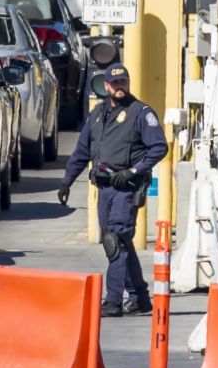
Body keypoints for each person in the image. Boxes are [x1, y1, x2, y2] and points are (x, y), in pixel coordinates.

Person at [58, 64, 168, 317]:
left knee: (115, 240)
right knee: (121, 243)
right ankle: (139, 297)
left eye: (124, 82)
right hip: (104, 188)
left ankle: (114, 300)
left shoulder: (140, 112)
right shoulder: (97, 115)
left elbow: (159, 148)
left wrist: (132, 171)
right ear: (106, 86)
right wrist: (66, 182)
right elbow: (81, 151)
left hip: (126, 188)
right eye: (115, 83)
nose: (120, 87)